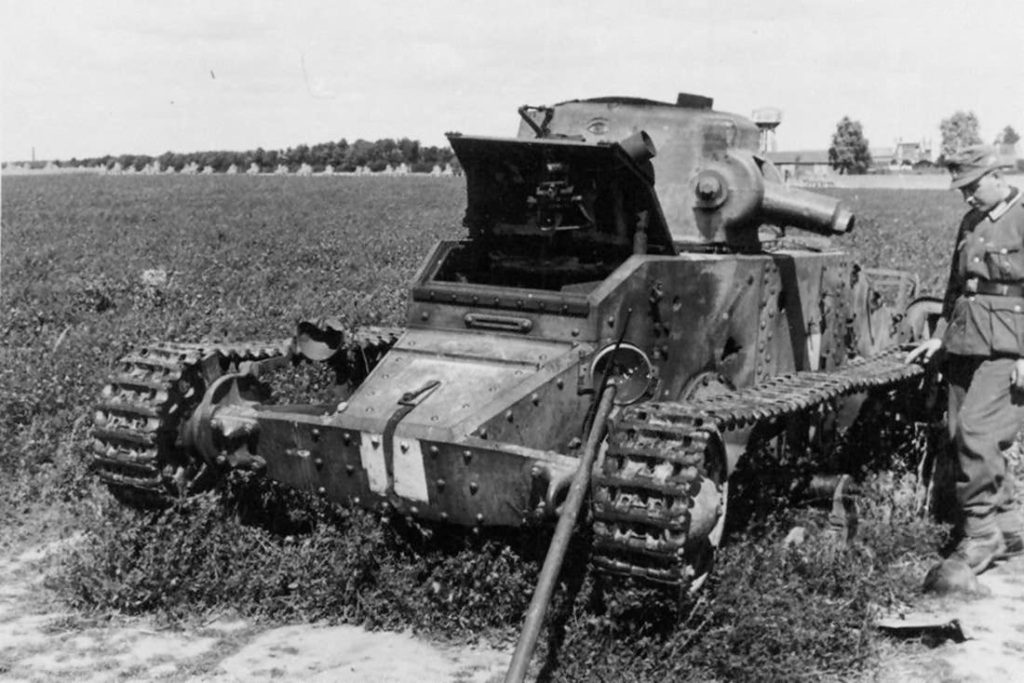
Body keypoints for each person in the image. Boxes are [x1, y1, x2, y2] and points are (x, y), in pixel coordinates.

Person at [907, 144, 1024, 574]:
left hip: (1011, 345)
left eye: (972, 187)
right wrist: (940, 337)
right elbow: (955, 287)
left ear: (997, 175)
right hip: (965, 338)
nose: (966, 197)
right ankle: (1009, 525)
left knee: (978, 430)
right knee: (961, 431)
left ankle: (981, 535)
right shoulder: (971, 220)